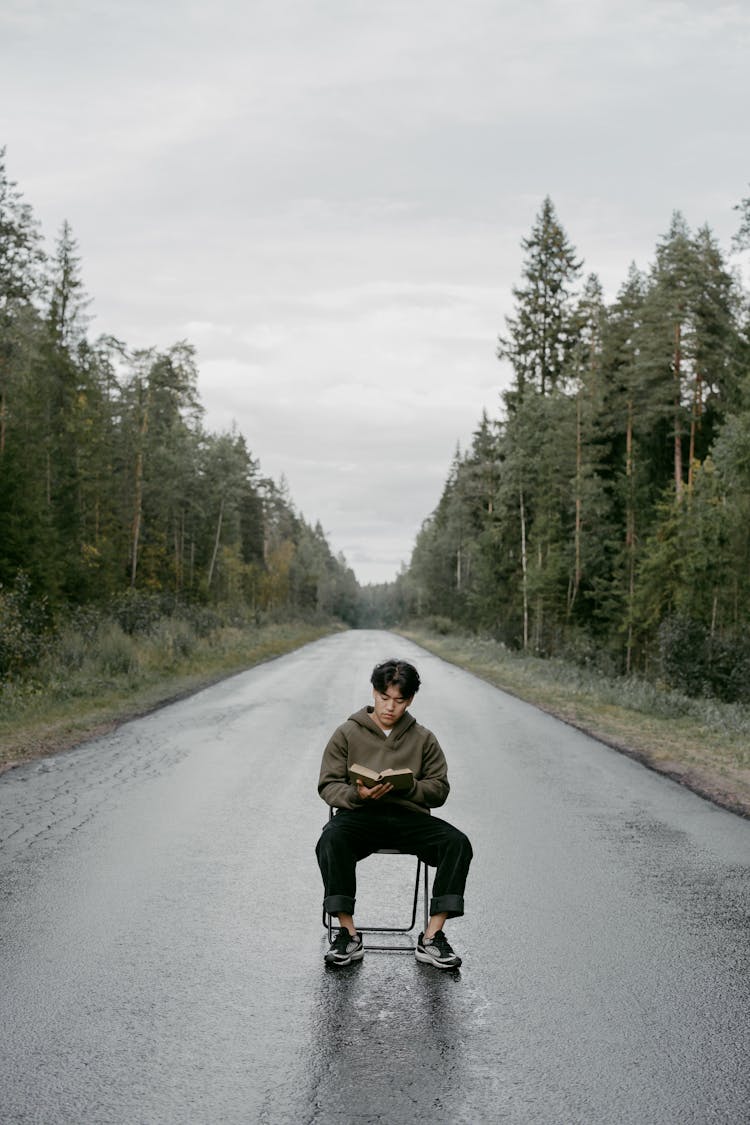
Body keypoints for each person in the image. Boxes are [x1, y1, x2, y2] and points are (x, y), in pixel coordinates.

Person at [316, 658, 473, 969]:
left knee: (458, 843)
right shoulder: (347, 733)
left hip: (409, 819)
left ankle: (432, 936)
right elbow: (327, 785)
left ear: (410, 699)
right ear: (374, 693)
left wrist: (410, 787)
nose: (390, 707)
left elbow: (439, 789)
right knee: (331, 839)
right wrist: (355, 794)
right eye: (384, 698)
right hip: (359, 817)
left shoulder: (423, 738)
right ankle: (348, 934)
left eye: (399, 700)